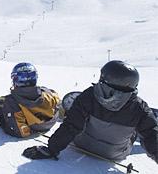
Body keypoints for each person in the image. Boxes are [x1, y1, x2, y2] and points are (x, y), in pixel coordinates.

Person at [23, 60, 158, 164]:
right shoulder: (140, 107)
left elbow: (71, 126)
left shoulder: (89, 95)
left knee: (78, 115)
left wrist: (51, 149)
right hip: (115, 154)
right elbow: (152, 137)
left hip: (81, 143)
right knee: (142, 129)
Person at [0, 62, 60, 138]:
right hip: (50, 123)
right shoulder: (48, 93)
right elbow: (57, 100)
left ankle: (2, 105)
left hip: (34, 126)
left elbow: (20, 132)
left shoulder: (12, 102)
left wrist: (2, 119)